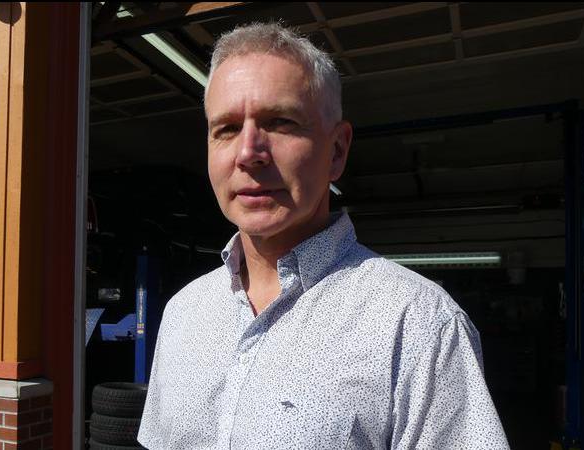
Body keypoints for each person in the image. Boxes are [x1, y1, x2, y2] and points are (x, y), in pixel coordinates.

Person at [138, 23, 508, 449]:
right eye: (226, 128)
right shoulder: (183, 314)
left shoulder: (418, 324)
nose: (248, 152)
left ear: (337, 150)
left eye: (280, 122)